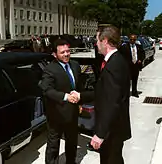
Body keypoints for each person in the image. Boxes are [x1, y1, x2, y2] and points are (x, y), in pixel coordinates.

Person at [40, 39, 94, 164]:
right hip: (56, 113)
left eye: (68, 51)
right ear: (55, 54)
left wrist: (80, 102)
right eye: (62, 52)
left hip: (72, 112)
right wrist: (65, 96)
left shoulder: (75, 65)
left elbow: (78, 86)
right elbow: (47, 90)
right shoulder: (50, 69)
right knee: (53, 145)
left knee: (72, 141)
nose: (66, 54)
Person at [90, 25, 131, 164]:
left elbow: (112, 102)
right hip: (113, 128)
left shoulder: (114, 65)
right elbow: (105, 92)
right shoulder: (116, 60)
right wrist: (81, 95)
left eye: (97, 40)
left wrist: (100, 134)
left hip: (112, 130)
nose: (96, 44)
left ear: (105, 41)